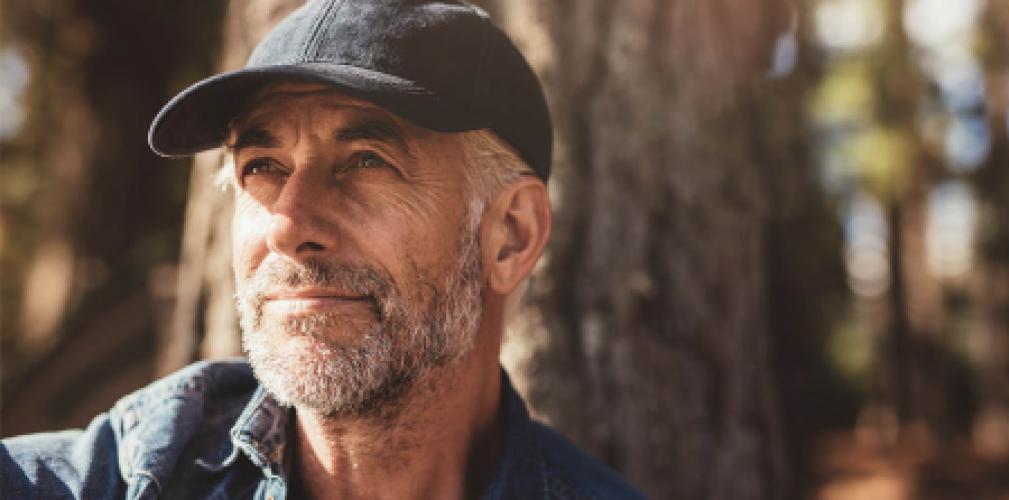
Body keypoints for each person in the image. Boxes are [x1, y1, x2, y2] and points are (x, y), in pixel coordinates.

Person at [1, 1, 643, 498]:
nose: (288, 226)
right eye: (262, 167)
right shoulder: (118, 479)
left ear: (512, 236)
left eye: (366, 160)